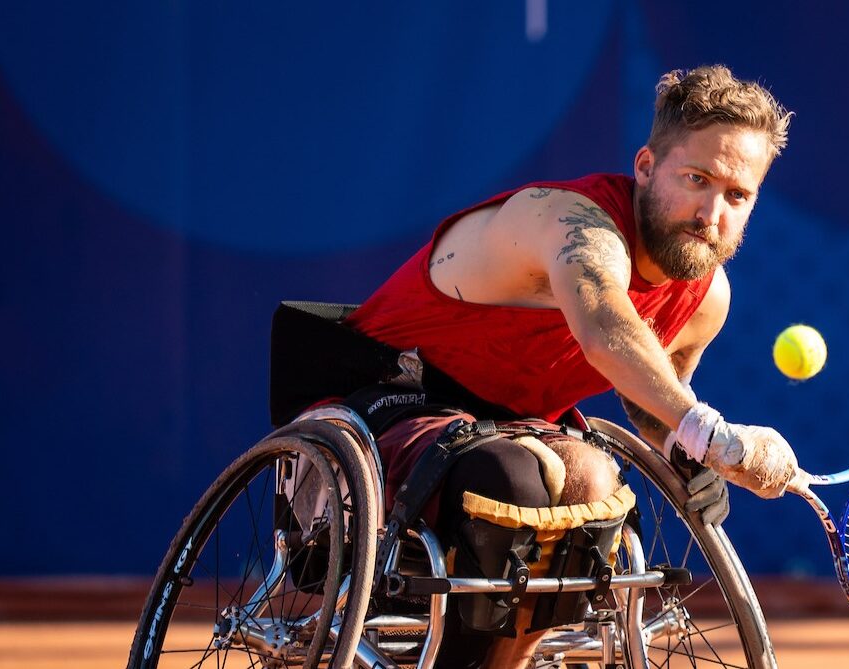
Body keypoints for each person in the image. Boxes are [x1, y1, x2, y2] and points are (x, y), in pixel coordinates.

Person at [342, 64, 804, 668]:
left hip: (512, 431)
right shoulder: (574, 222)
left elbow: (649, 398)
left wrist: (687, 456)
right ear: (645, 167)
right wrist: (712, 433)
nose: (711, 212)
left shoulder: (706, 297)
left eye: (737, 196)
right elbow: (606, 331)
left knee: (592, 485)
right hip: (389, 394)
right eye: (697, 179)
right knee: (520, 479)